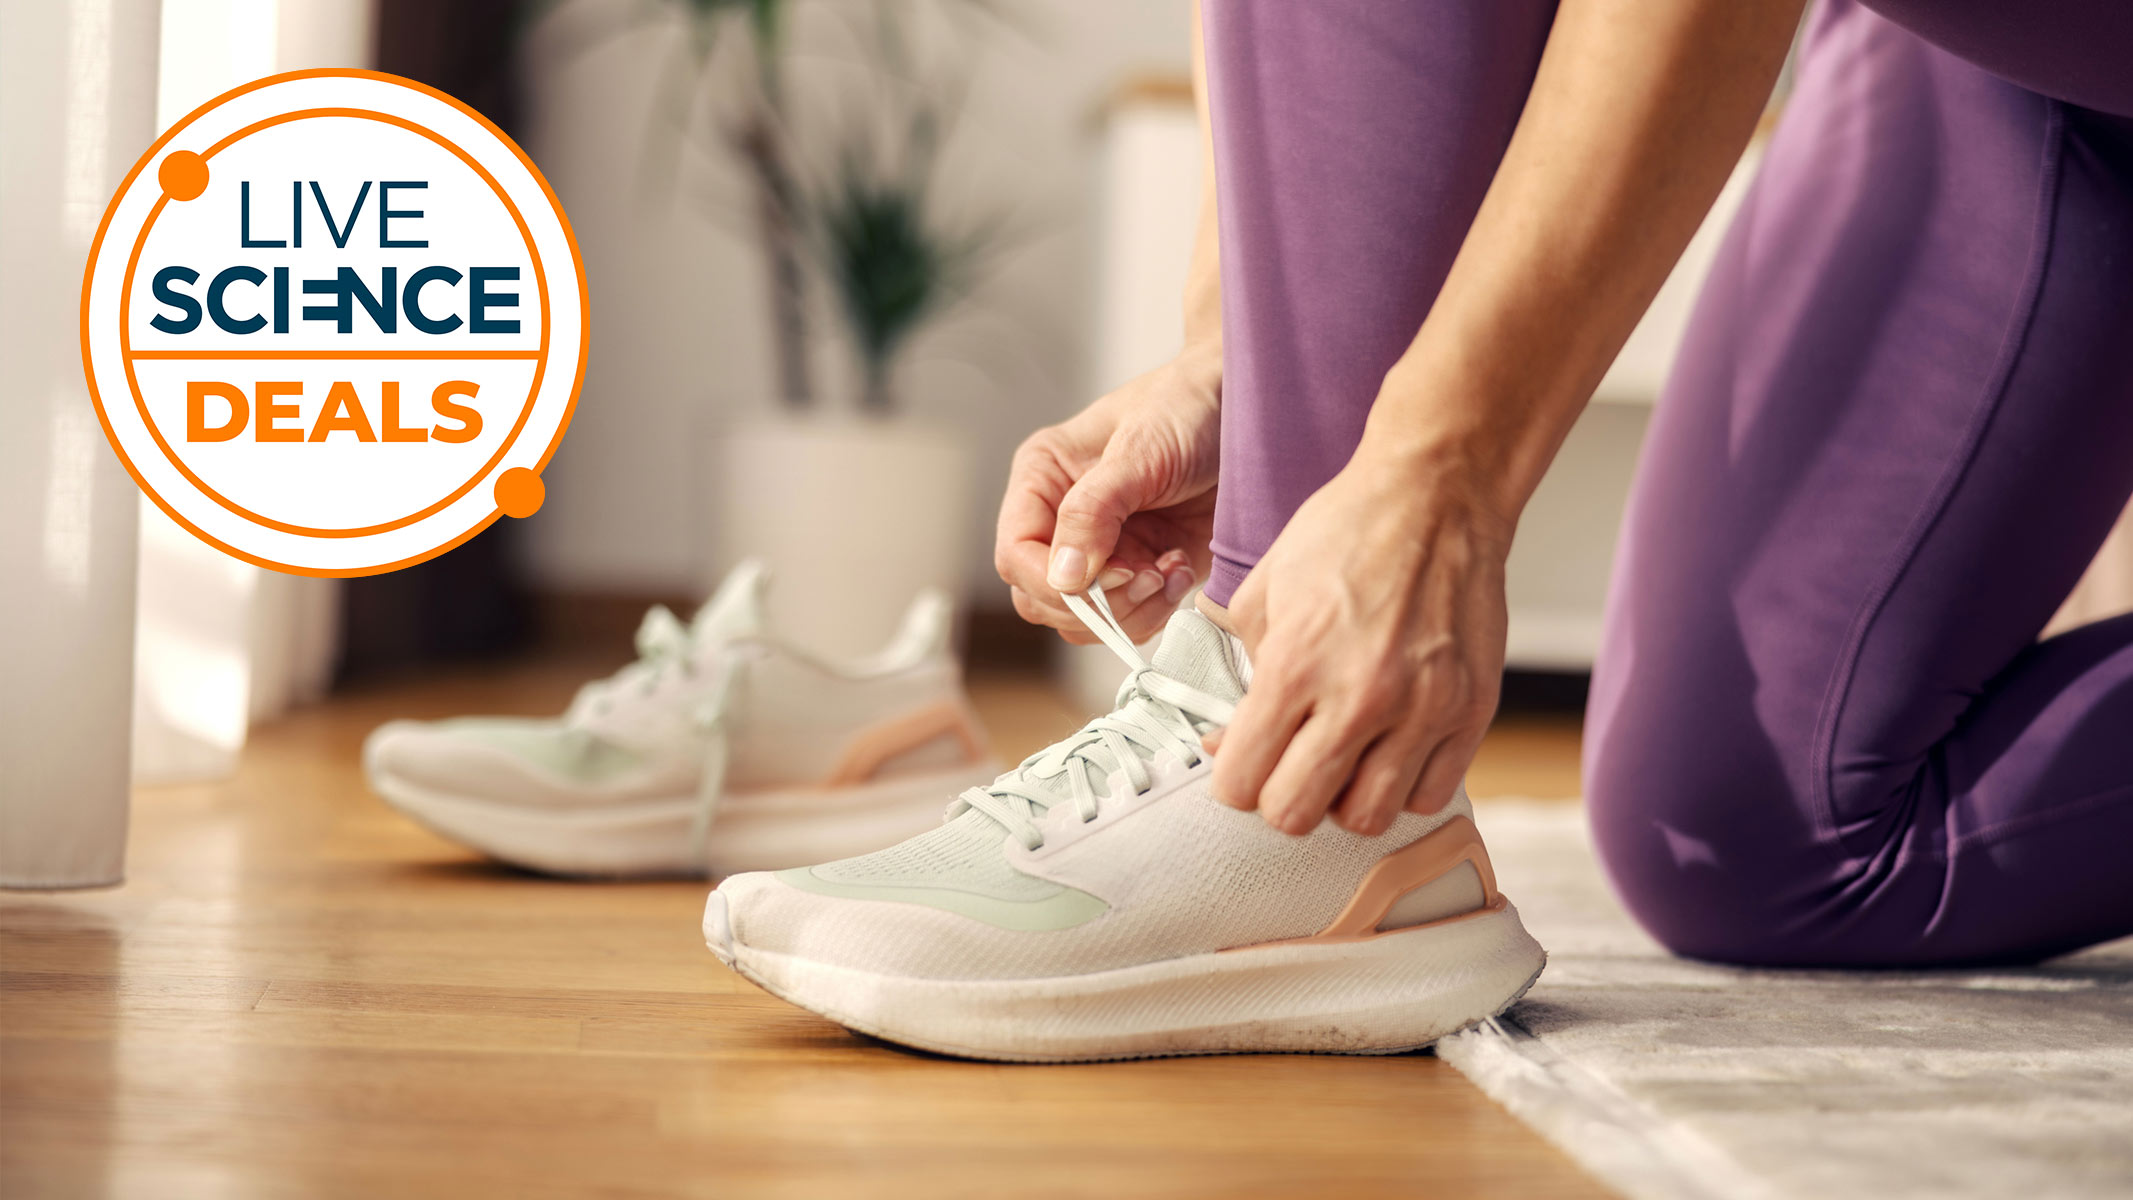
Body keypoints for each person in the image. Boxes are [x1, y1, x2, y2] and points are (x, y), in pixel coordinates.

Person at [702, 0, 2133, 1059]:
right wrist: (1236, 362)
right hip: (1992, 60)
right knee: (1760, 841)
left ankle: (1284, 784)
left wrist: (1441, 470)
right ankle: (1310, 765)